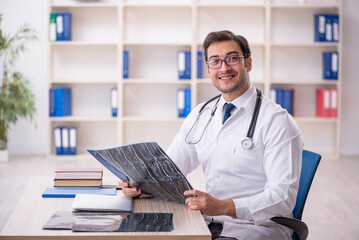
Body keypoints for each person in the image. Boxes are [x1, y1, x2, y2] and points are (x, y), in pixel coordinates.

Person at [119, 30, 303, 240]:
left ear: (248, 63)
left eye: (232, 59)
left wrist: (223, 206)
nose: (224, 68)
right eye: (215, 61)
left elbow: (283, 197)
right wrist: (140, 185)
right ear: (208, 69)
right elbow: (169, 169)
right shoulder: (201, 115)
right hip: (207, 224)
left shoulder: (276, 121)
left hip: (257, 229)